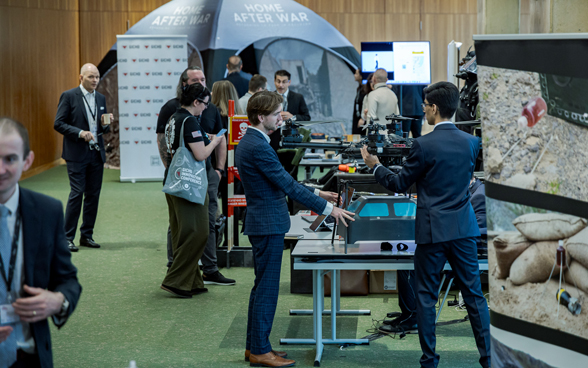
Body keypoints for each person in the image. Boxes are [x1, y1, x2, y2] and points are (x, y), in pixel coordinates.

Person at [361, 81, 490, 368]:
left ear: (434, 107)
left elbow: (398, 184)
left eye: (424, 106)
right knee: (474, 297)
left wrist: (375, 165)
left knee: (426, 299)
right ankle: (489, 360)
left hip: (432, 232)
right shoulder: (471, 143)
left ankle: (429, 361)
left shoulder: (422, 144)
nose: (422, 110)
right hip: (464, 229)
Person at [235, 91, 355, 367]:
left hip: (264, 221)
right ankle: (260, 351)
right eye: (277, 114)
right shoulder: (258, 145)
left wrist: (317, 192)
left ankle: (255, 346)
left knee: (261, 287)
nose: (281, 118)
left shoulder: (253, 141)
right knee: (266, 289)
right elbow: (287, 185)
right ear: (260, 116)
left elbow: (279, 180)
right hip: (267, 223)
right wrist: (330, 210)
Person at [0, 117, 82, 368]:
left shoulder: (48, 212)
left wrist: (58, 301)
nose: (0, 169)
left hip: (30, 355)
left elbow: (67, 280)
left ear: (27, 161)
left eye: (10, 159)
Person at [379, 175, 487, 335]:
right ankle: (410, 312)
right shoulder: (470, 191)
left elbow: (474, 232)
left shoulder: (479, 196)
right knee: (410, 255)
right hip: (457, 245)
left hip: (471, 253)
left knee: (409, 262)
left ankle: (413, 318)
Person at [156, 66, 234, 286]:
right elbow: (200, 154)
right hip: (190, 182)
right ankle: (176, 279)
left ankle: (192, 279)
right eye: (205, 103)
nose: (207, 107)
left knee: (183, 230)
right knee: (197, 232)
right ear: (196, 102)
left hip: (178, 179)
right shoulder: (190, 121)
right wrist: (216, 141)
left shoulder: (174, 117)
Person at [54, 63, 113, 252]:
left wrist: (106, 124)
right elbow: (59, 123)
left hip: (96, 153)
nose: (95, 80)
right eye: (91, 77)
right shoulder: (69, 96)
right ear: (81, 77)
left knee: (93, 196)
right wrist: (80, 133)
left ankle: (87, 235)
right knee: (77, 193)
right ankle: (66, 237)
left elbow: (101, 128)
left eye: (97, 77)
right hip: (76, 154)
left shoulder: (101, 98)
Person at [269, 69, 310, 152]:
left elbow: (307, 118)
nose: (281, 85)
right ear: (274, 81)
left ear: (289, 82)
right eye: (278, 81)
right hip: (272, 142)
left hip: (292, 142)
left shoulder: (298, 98)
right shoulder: (269, 98)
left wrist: (293, 117)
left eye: (284, 82)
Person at [352, 69, 368, 135]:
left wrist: (363, 118)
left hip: (363, 120)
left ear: (361, 76)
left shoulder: (366, 90)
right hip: (357, 118)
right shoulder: (359, 89)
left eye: (356, 73)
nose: (354, 75)